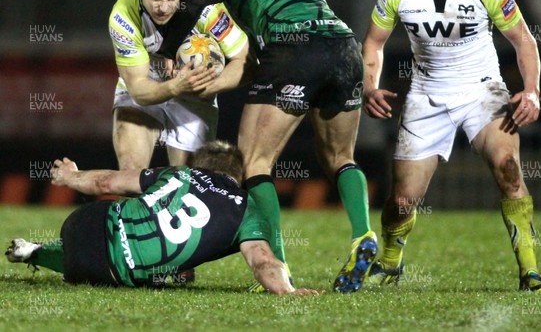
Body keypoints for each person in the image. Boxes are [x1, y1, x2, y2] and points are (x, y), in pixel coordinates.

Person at [157, 0, 377, 293]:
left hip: (296, 50)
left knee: (254, 162)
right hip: (344, 48)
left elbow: (194, 2)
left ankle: (278, 270)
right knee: (341, 158)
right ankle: (363, 235)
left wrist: (166, 48)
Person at [361, 0, 541, 292]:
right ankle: (390, 262)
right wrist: (370, 85)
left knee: (508, 168)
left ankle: (530, 272)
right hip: (426, 95)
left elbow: (524, 41)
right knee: (401, 201)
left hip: (481, 91)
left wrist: (531, 90)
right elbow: (373, 42)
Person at [5, 141, 319, 295]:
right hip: (108, 273)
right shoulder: (247, 207)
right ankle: (37, 252)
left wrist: (72, 177)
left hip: (82, 224)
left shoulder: (178, 173)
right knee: (136, 266)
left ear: (199, 164)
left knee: (106, 237)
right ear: (238, 176)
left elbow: (106, 183)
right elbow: (263, 261)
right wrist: (288, 293)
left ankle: (36, 251)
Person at [109, 0, 254, 172]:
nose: (164, 7)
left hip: (194, 92)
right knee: (130, 174)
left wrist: (207, 86)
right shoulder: (123, 15)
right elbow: (137, 89)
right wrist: (176, 85)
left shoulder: (206, 6)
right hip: (149, 81)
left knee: (188, 183)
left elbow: (246, 61)